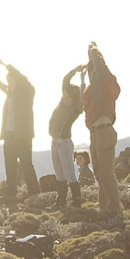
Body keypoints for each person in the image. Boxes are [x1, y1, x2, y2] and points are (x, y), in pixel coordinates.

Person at [82, 42, 123, 220]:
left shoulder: (107, 82)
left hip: (104, 131)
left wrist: (93, 51)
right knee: (99, 173)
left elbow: (101, 66)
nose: (92, 72)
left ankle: (114, 209)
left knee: (106, 172)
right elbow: (83, 102)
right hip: (94, 133)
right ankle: (104, 208)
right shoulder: (91, 89)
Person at [0, 59, 39, 207]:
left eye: (11, 79)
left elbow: (20, 77)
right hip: (9, 134)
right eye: (8, 80)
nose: (9, 82)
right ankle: (11, 193)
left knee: (26, 164)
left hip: (23, 135)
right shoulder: (9, 92)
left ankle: (34, 193)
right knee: (10, 163)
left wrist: (6, 65)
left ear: (17, 79)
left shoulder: (27, 92)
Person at [48, 64, 87, 209]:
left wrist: (82, 78)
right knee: (59, 174)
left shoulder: (76, 107)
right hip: (54, 142)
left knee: (70, 174)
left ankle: (77, 201)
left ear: (73, 97)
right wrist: (74, 71)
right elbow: (65, 81)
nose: (65, 96)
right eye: (64, 93)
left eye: (68, 95)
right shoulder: (62, 103)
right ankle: (61, 201)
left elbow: (83, 95)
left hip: (64, 143)